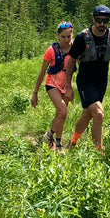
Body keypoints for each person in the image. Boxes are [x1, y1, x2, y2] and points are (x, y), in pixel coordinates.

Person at [64, 5, 110, 151]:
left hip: (101, 82)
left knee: (87, 115)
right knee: (99, 113)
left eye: (105, 20)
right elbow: (71, 61)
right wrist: (68, 86)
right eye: (99, 20)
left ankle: (73, 142)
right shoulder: (82, 37)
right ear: (93, 19)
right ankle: (98, 150)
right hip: (85, 81)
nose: (102, 24)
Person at [31, 21, 74, 153]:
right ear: (58, 36)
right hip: (52, 84)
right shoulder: (51, 51)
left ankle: (58, 141)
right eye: (63, 37)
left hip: (66, 84)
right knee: (63, 111)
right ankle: (50, 136)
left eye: (69, 36)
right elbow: (42, 72)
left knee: (61, 114)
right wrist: (35, 92)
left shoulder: (74, 48)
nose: (66, 40)